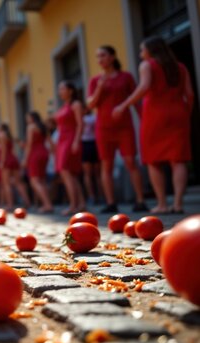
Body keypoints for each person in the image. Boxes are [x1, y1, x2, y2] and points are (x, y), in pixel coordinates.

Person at [113, 36, 194, 214]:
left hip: (155, 115)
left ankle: (162, 204)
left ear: (151, 50)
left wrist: (123, 105)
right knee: (178, 160)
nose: (141, 54)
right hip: (178, 113)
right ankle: (178, 203)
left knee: (153, 160)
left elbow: (143, 87)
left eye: (142, 50)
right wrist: (185, 113)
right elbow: (189, 94)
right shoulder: (180, 67)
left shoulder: (147, 65)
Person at [87, 45, 146, 213]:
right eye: (98, 57)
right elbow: (91, 104)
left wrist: (143, 120)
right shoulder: (95, 81)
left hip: (124, 127)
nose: (100, 59)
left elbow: (135, 99)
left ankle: (140, 200)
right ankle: (111, 203)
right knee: (106, 165)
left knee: (130, 162)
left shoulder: (126, 77)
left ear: (112, 57)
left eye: (103, 55)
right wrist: (99, 87)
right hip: (103, 128)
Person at [55, 81, 86, 215]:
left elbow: (80, 124)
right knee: (70, 174)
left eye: (62, 88)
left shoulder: (76, 104)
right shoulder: (64, 106)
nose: (60, 91)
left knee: (66, 171)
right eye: (59, 89)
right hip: (62, 141)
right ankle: (81, 203)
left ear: (71, 90)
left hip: (70, 139)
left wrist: (76, 141)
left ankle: (73, 204)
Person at [22, 112, 53, 213]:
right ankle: (47, 203)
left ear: (31, 118)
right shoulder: (43, 126)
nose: (27, 120)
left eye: (27, 118)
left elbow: (30, 144)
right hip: (44, 152)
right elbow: (50, 142)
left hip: (35, 154)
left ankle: (47, 204)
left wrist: (25, 159)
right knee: (42, 180)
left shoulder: (31, 127)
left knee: (34, 181)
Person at [0, 123, 30, 209]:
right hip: (13, 158)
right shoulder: (9, 136)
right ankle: (27, 201)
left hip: (7, 159)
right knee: (18, 182)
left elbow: (3, 150)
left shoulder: (1, 135)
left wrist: (2, 161)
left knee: (6, 184)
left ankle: (10, 205)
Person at [80, 109, 101, 205]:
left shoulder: (81, 119)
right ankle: (100, 196)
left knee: (87, 174)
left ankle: (91, 196)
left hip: (86, 144)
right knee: (97, 174)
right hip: (95, 144)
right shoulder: (95, 117)